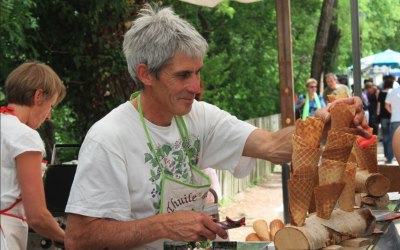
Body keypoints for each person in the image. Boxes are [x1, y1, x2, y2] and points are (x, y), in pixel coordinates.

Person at [64, 4, 369, 250]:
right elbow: (79, 238)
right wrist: (163, 225)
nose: (196, 87)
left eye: (198, 72)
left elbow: (274, 146)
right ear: (145, 74)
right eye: (183, 75)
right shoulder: (108, 138)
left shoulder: (200, 116)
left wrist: (323, 123)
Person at [1, 62, 66, 249]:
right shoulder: (24, 136)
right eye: (51, 105)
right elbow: (37, 217)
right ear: (38, 96)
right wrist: (68, 239)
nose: (48, 116)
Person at [378, 80, 393, 164]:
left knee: (385, 136)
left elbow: (379, 104)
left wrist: (378, 111)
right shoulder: (393, 92)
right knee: (392, 136)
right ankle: (390, 155)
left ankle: (386, 155)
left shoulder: (381, 92)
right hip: (392, 116)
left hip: (383, 116)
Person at [385, 83, 400, 164]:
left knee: (392, 139)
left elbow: (386, 105)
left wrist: (393, 112)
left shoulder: (391, 91)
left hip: (395, 118)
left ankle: (390, 158)